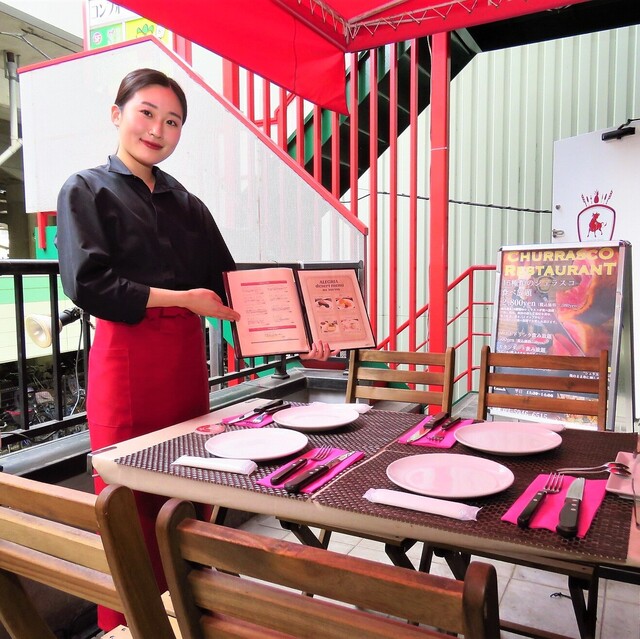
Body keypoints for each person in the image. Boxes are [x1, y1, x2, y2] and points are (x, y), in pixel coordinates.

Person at [56, 68, 331, 631]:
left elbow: (231, 291)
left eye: (173, 121)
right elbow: (87, 284)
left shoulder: (190, 204)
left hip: (185, 366)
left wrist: (302, 338)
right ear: (117, 114)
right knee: (128, 497)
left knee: (190, 489)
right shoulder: (85, 188)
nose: (157, 130)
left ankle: (191, 608)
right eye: (147, 113)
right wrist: (182, 298)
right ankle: (132, 622)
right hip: (125, 363)